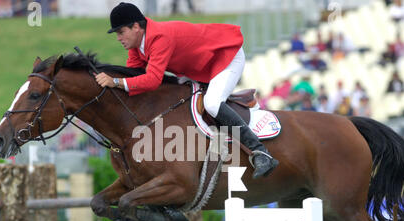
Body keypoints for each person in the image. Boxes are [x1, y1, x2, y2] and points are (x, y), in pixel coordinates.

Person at [95, 2, 278, 178]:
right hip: (199, 67)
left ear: (136, 27)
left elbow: (151, 80)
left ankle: (261, 152)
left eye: (121, 32)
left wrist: (116, 82)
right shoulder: (137, 46)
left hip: (226, 56)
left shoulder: (159, 37)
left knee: (212, 104)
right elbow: (134, 76)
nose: (119, 38)